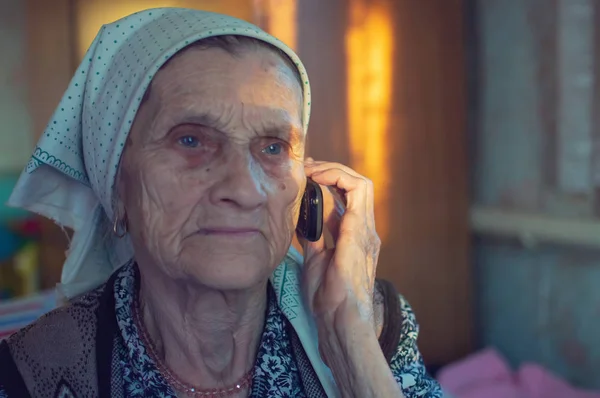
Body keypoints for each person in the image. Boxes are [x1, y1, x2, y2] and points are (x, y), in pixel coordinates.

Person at [0, 8, 442, 398]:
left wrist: (350, 340)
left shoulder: (373, 324)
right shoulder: (33, 371)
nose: (245, 189)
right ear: (117, 188)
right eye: (191, 140)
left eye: (272, 148)